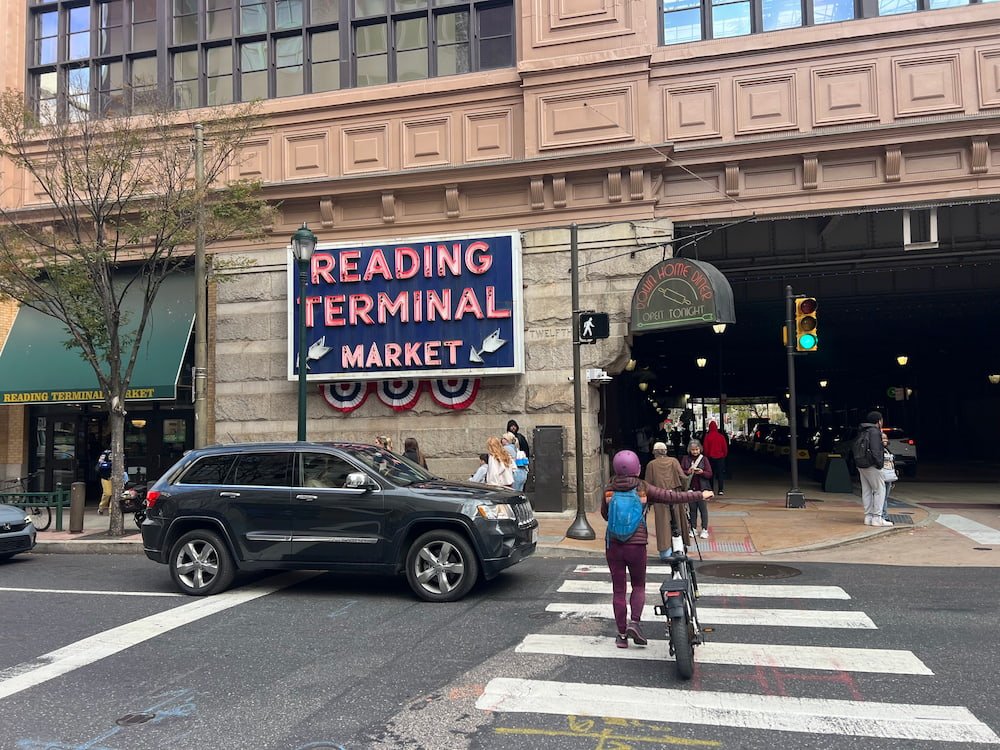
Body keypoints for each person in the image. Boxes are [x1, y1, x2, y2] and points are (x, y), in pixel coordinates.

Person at [602, 450, 712, 649]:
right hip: (637, 546)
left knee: (619, 589)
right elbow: (670, 496)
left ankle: (621, 636)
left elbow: (605, 515)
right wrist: (700, 494)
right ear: (637, 468)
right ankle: (634, 622)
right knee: (638, 586)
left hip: (614, 546)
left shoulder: (609, 490)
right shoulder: (643, 488)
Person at [645, 442, 687, 562]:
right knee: (678, 520)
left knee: (662, 523)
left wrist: (648, 501)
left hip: (659, 496)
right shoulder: (674, 461)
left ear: (654, 452)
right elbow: (682, 477)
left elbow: (647, 485)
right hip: (675, 494)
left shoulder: (651, 465)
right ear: (665, 451)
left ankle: (665, 552)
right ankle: (679, 549)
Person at [857, 411, 892, 527]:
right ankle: (877, 518)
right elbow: (876, 450)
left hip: (861, 464)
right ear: (878, 421)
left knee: (866, 491)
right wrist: (880, 464)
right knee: (879, 490)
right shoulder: (875, 432)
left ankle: (868, 517)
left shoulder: (863, 430)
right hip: (872, 465)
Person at [681, 439, 714, 539]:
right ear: (689, 450)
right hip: (690, 487)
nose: (695, 451)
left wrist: (702, 472)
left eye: (697, 449)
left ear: (700, 449)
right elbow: (681, 471)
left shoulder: (704, 459)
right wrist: (688, 471)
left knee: (703, 509)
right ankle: (693, 528)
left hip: (702, 488)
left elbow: (709, 474)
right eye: (693, 450)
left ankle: (704, 529)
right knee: (692, 510)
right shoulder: (685, 459)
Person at [702, 421, 728, 496]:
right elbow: (725, 448)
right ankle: (720, 490)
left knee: (711, 474)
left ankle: (711, 489)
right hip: (720, 458)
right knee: (720, 474)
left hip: (710, 458)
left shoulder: (707, 437)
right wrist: (724, 455)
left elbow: (705, 448)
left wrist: (706, 456)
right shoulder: (721, 436)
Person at [881, 431, 896, 522]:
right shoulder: (877, 450)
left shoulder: (887, 450)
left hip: (889, 476)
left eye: (886, 438)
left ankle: (884, 515)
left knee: (885, 497)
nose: (885, 440)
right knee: (882, 497)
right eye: (882, 438)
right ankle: (883, 516)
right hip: (881, 476)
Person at [96, 447, 113, 515]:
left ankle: (111, 511)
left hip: (116, 478)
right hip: (106, 477)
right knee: (108, 493)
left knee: (115, 495)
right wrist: (110, 464)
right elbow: (100, 464)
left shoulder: (121, 453)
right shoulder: (106, 453)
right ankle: (101, 508)